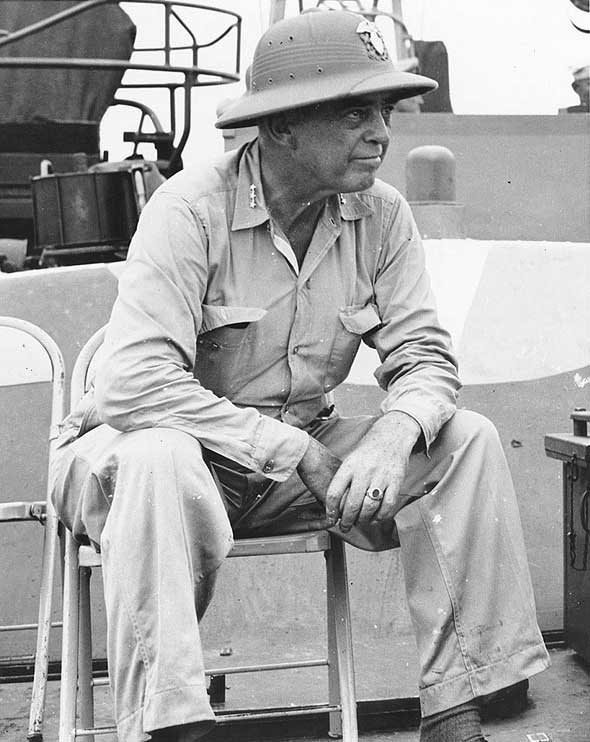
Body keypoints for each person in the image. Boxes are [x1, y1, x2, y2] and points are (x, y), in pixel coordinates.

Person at [51, 10, 550, 742]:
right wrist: (296, 454)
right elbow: (133, 385)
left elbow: (426, 360)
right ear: (281, 128)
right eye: (355, 112)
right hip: (144, 460)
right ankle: (167, 724)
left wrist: (392, 434)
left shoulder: (381, 216)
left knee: (464, 440)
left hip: (294, 461)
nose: (380, 132)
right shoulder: (188, 209)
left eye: (382, 110)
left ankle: (461, 699)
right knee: (163, 457)